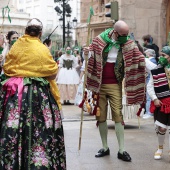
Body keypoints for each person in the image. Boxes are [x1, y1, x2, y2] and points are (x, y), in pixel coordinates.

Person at [0, 18, 66, 169]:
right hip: (39, 94)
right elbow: (52, 73)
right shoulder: (42, 49)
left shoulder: (16, 46)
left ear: (25, 31)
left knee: (14, 129)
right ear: (40, 33)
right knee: (40, 131)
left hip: (16, 94)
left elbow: (8, 69)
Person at [84, 20, 146, 161]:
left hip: (115, 85)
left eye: (127, 33)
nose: (126, 36)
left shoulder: (128, 43)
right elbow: (90, 59)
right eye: (123, 34)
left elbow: (140, 58)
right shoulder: (99, 40)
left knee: (118, 115)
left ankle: (122, 150)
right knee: (101, 117)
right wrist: (87, 54)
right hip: (98, 85)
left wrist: (155, 67)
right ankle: (105, 147)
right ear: (115, 32)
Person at [147, 46, 170, 160]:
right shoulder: (156, 69)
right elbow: (150, 86)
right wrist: (154, 98)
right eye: (161, 55)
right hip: (162, 102)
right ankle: (160, 148)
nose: (161, 57)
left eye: (164, 55)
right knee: (161, 128)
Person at [143, 49, 158, 119]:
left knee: (149, 96)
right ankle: (148, 112)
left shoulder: (151, 61)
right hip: (149, 78)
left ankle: (149, 112)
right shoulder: (151, 60)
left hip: (150, 79)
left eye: (146, 53)